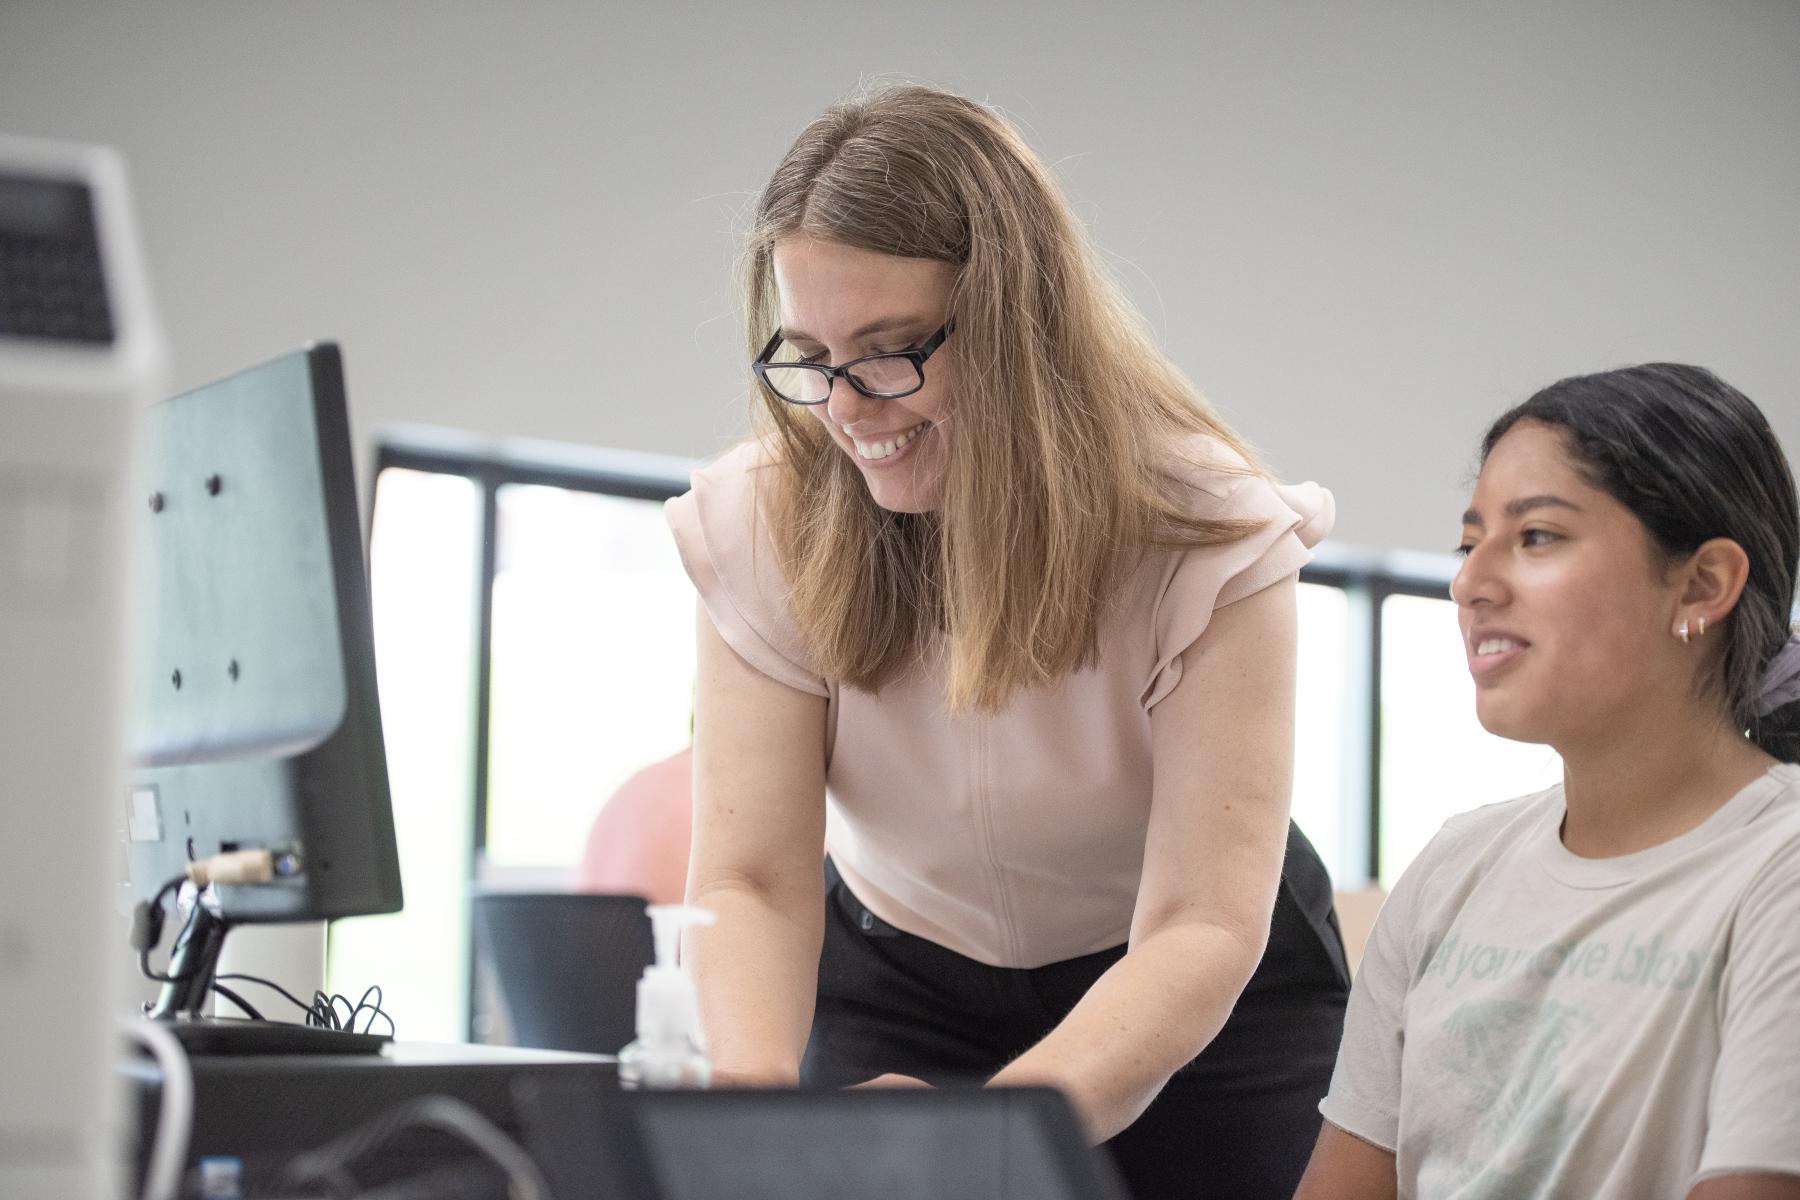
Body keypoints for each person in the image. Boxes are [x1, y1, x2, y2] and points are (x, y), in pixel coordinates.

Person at [665, 85, 1349, 1198]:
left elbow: (1198, 925)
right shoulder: (760, 519)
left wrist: (986, 1141)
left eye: (891, 351)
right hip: (901, 979)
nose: (848, 409)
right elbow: (750, 879)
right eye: (812, 356)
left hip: (1203, 1002)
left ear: (1017, 323)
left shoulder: (1207, 528)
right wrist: (753, 1113)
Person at [1294, 364, 1800, 1200]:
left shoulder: (1775, 875)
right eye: (1470, 543)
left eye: (1536, 538)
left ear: (1703, 584)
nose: (1469, 582)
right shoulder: (1455, 868)